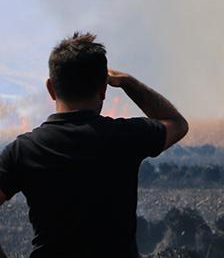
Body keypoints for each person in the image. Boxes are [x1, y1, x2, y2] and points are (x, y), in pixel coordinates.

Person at [0, 32, 188, 258]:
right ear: (103, 89)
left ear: (51, 88)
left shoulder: (23, 150)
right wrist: (129, 83)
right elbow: (177, 124)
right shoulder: (126, 136)